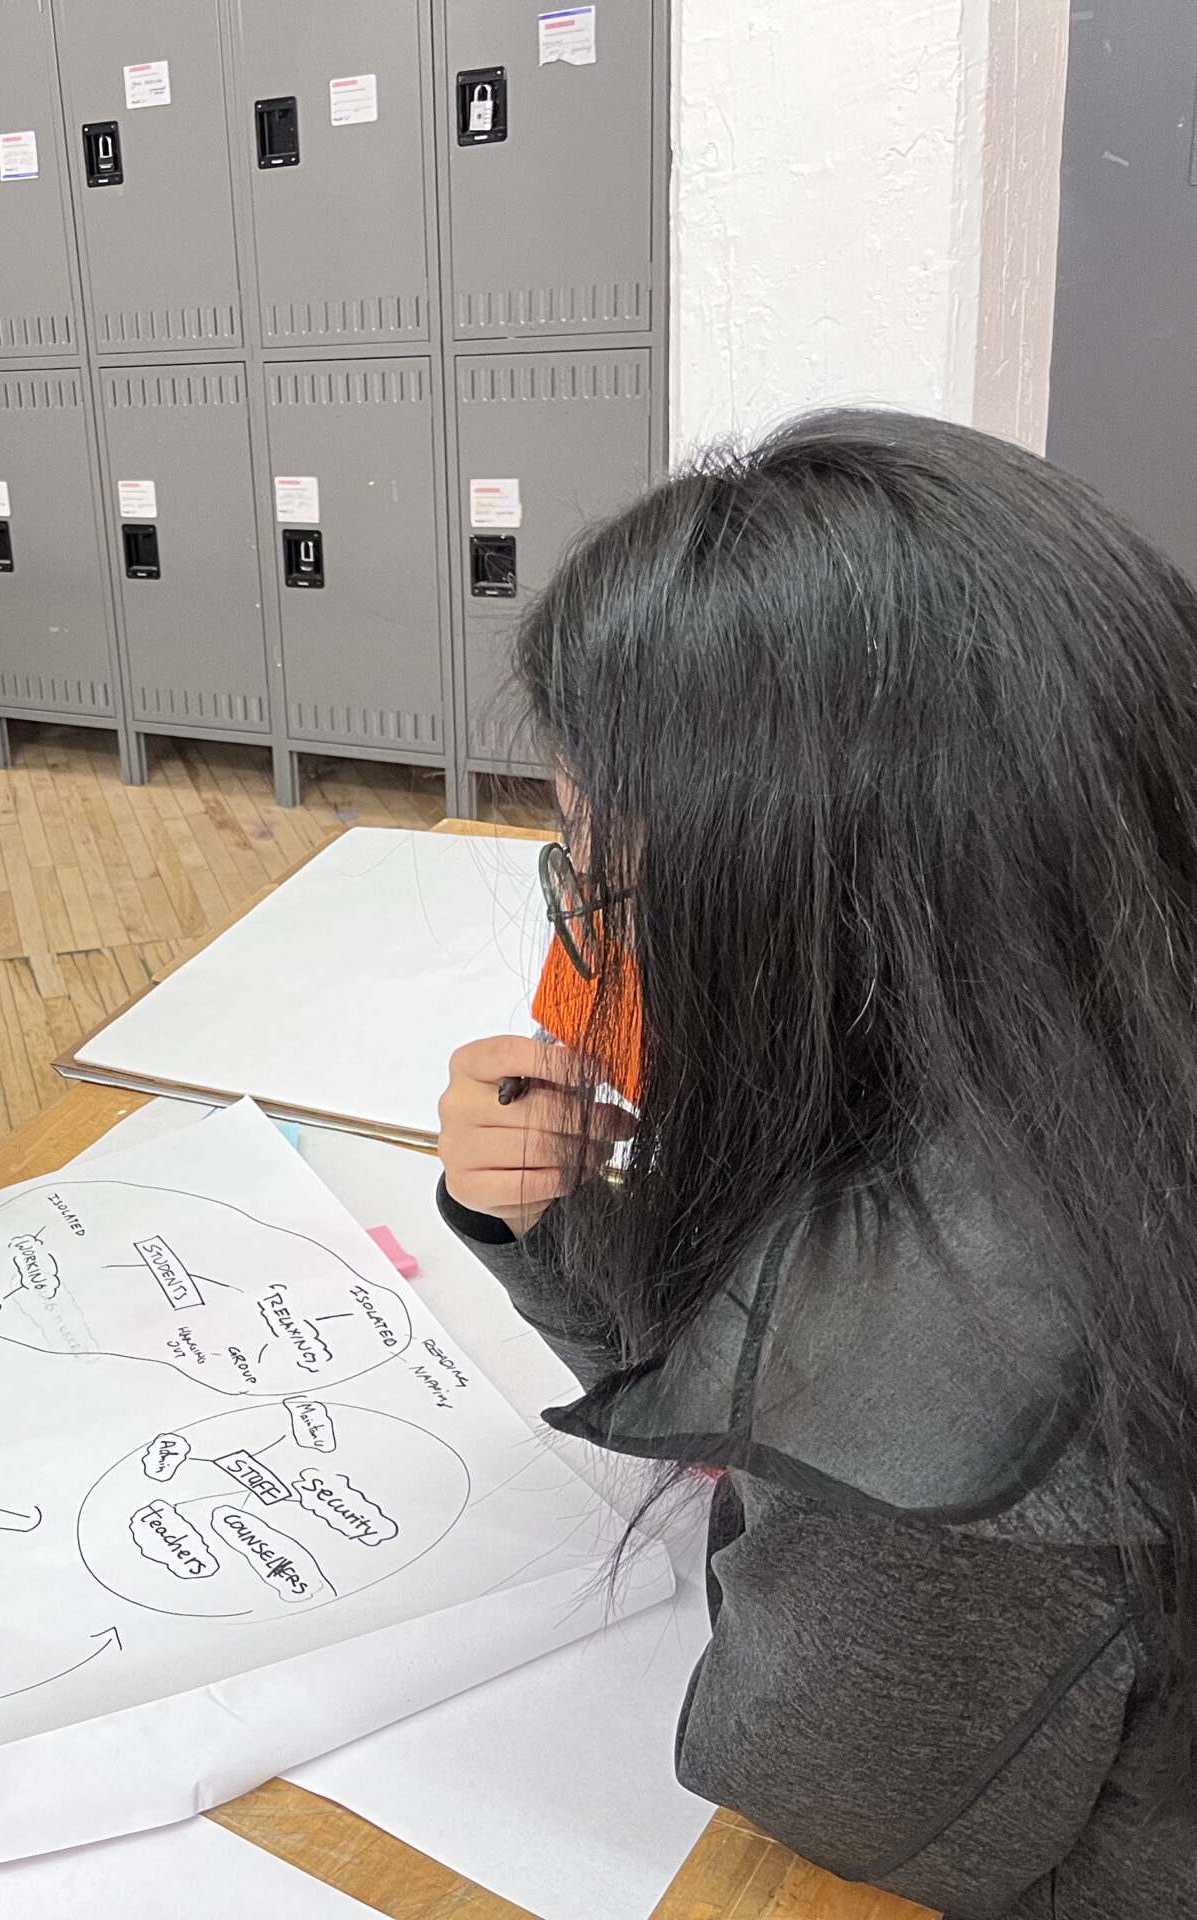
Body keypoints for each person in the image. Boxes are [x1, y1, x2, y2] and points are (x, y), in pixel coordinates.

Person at [435, 411, 1197, 1915]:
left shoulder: (959, 1398)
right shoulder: (1088, 1041)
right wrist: (543, 1222)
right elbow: (760, 1352)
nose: (578, 920)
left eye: (598, 861)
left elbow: (811, 1779)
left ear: (807, 921)